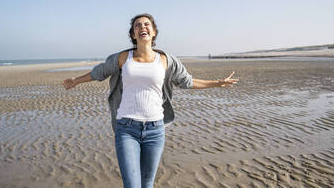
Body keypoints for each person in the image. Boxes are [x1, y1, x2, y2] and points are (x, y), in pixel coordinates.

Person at [62, 13, 239, 188]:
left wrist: (217, 83)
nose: (142, 27)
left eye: (146, 24)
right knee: (132, 185)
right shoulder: (124, 58)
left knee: (147, 184)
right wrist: (76, 81)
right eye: (137, 26)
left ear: (153, 32)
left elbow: (187, 81)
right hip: (126, 128)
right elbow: (100, 72)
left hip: (155, 130)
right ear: (133, 34)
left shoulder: (165, 60)